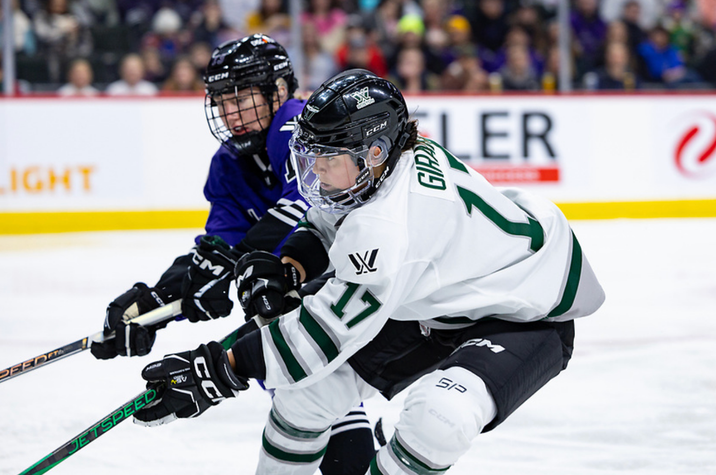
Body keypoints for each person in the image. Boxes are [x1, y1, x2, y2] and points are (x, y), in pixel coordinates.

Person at [132, 69, 606, 474]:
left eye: (326, 156)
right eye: (311, 153)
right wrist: (289, 266)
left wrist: (218, 370)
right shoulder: (381, 169)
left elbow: (320, 335)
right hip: (437, 298)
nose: (314, 169)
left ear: (374, 152)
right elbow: (328, 218)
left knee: (438, 420)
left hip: (524, 313)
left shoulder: (390, 225)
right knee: (306, 395)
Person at [91, 34, 375, 475]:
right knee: (275, 332)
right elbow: (219, 251)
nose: (230, 112)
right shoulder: (227, 165)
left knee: (283, 335)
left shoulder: (300, 126)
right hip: (307, 293)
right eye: (223, 100)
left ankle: (353, 454)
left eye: (242, 97)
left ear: (279, 90)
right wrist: (156, 303)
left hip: (367, 279)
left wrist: (235, 260)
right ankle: (352, 451)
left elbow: (305, 206)